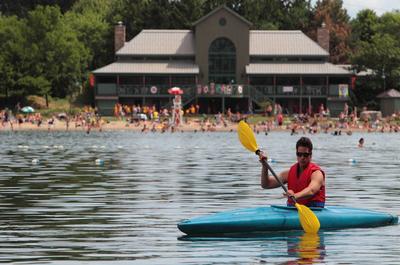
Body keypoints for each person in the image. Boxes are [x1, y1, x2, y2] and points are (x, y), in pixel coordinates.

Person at [259, 137, 325, 208]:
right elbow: (266, 184)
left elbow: (311, 190)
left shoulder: (317, 173)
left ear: (310, 155)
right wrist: (264, 166)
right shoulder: (289, 173)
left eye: (305, 155)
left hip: (313, 211)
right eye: (299, 154)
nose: (302, 157)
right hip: (292, 210)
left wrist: (295, 196)